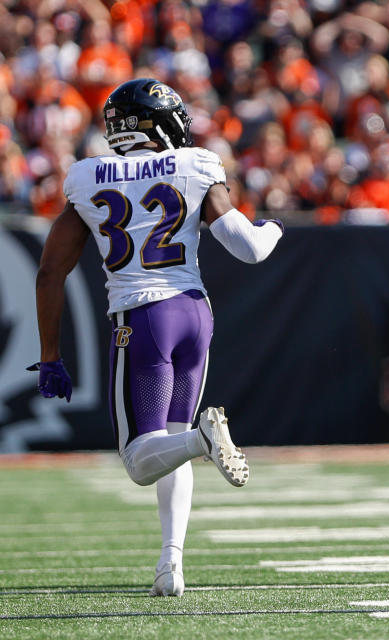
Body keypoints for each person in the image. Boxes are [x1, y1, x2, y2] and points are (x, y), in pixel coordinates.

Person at [29, 78, 283, 597]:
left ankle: (201, 441)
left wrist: (51, 353)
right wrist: (275, 227)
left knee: (143, 458)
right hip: (193, 314)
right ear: (158, 121)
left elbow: (50, 273)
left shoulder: (87, 176)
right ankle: (171, 565)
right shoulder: (195, 164)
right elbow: (250, 249)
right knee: (167, 444)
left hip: (143, 320)